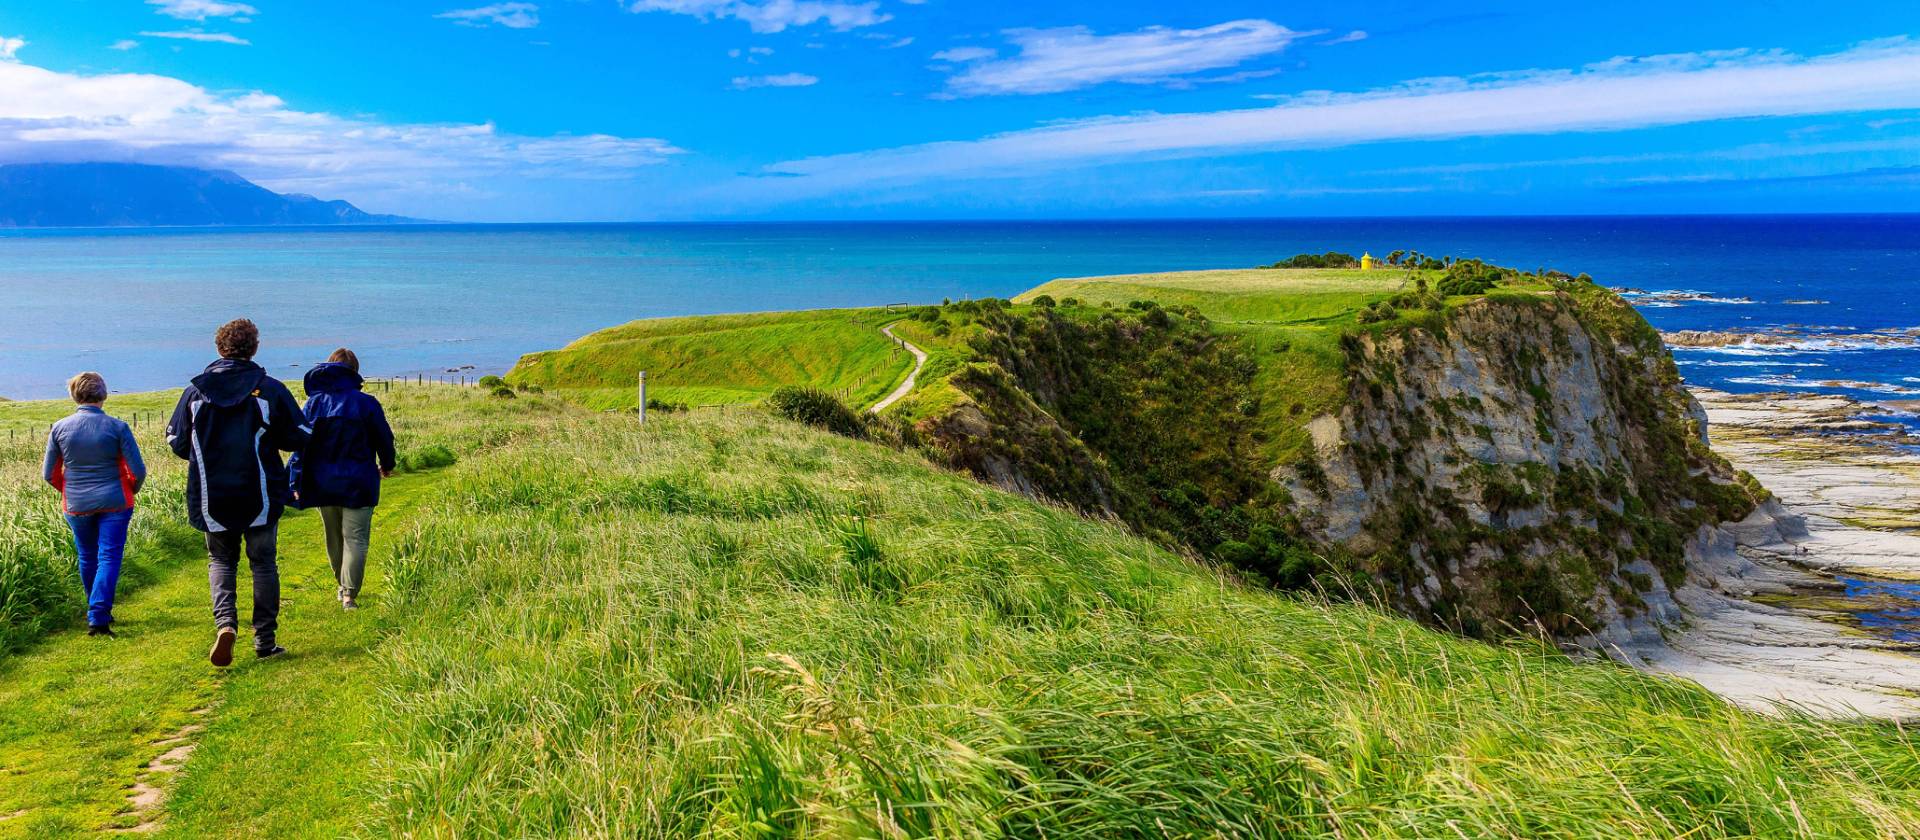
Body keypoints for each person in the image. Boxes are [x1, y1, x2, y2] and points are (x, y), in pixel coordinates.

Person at [166, 319, 310, 667]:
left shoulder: (195, 393)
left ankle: (226, 624)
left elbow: (178, 442)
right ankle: (265, 640)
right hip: (260, 491)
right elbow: (300, 436)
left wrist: (210, 454)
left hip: (211, 493)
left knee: (221, 560)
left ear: (219, 348)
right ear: (255, 348)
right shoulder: (270, 390)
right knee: (263, 563)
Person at [289, 348, 395, 611]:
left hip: (323, 481)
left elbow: (301, 446)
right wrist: (388, 464)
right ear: (355, 372)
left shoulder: (314, 404)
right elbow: (384, 438)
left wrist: (294, 479)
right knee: (356, 538)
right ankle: (349, 594)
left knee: (333, 537)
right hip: (359, 480)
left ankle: (342, 585)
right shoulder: (367, 403)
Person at [42, 372, 146, 638]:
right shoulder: (117, 427)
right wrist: (129, 489)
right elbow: (138, 470)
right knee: (108, 556)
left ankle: (97, 612)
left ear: (75, 395)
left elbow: (49, 474)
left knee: (87, 556)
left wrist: (68, 490)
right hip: (115, 501)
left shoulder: (59, 428)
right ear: (103, 395)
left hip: (77, 503)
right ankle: (98, 616)